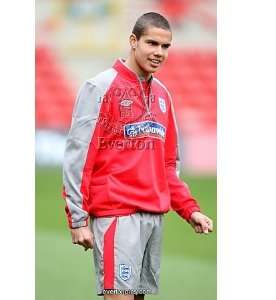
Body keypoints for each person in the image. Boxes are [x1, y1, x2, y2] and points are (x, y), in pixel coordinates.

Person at [62, 12, 213, 300]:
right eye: (151, 43)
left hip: (152, 219)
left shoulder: (163, 95)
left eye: (165, 47)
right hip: (117, 217)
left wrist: (189, 209)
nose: (158, 53)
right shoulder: (100, 87)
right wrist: (78, 219)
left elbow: (168, 166)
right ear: (133, 41)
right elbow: (78, 156)